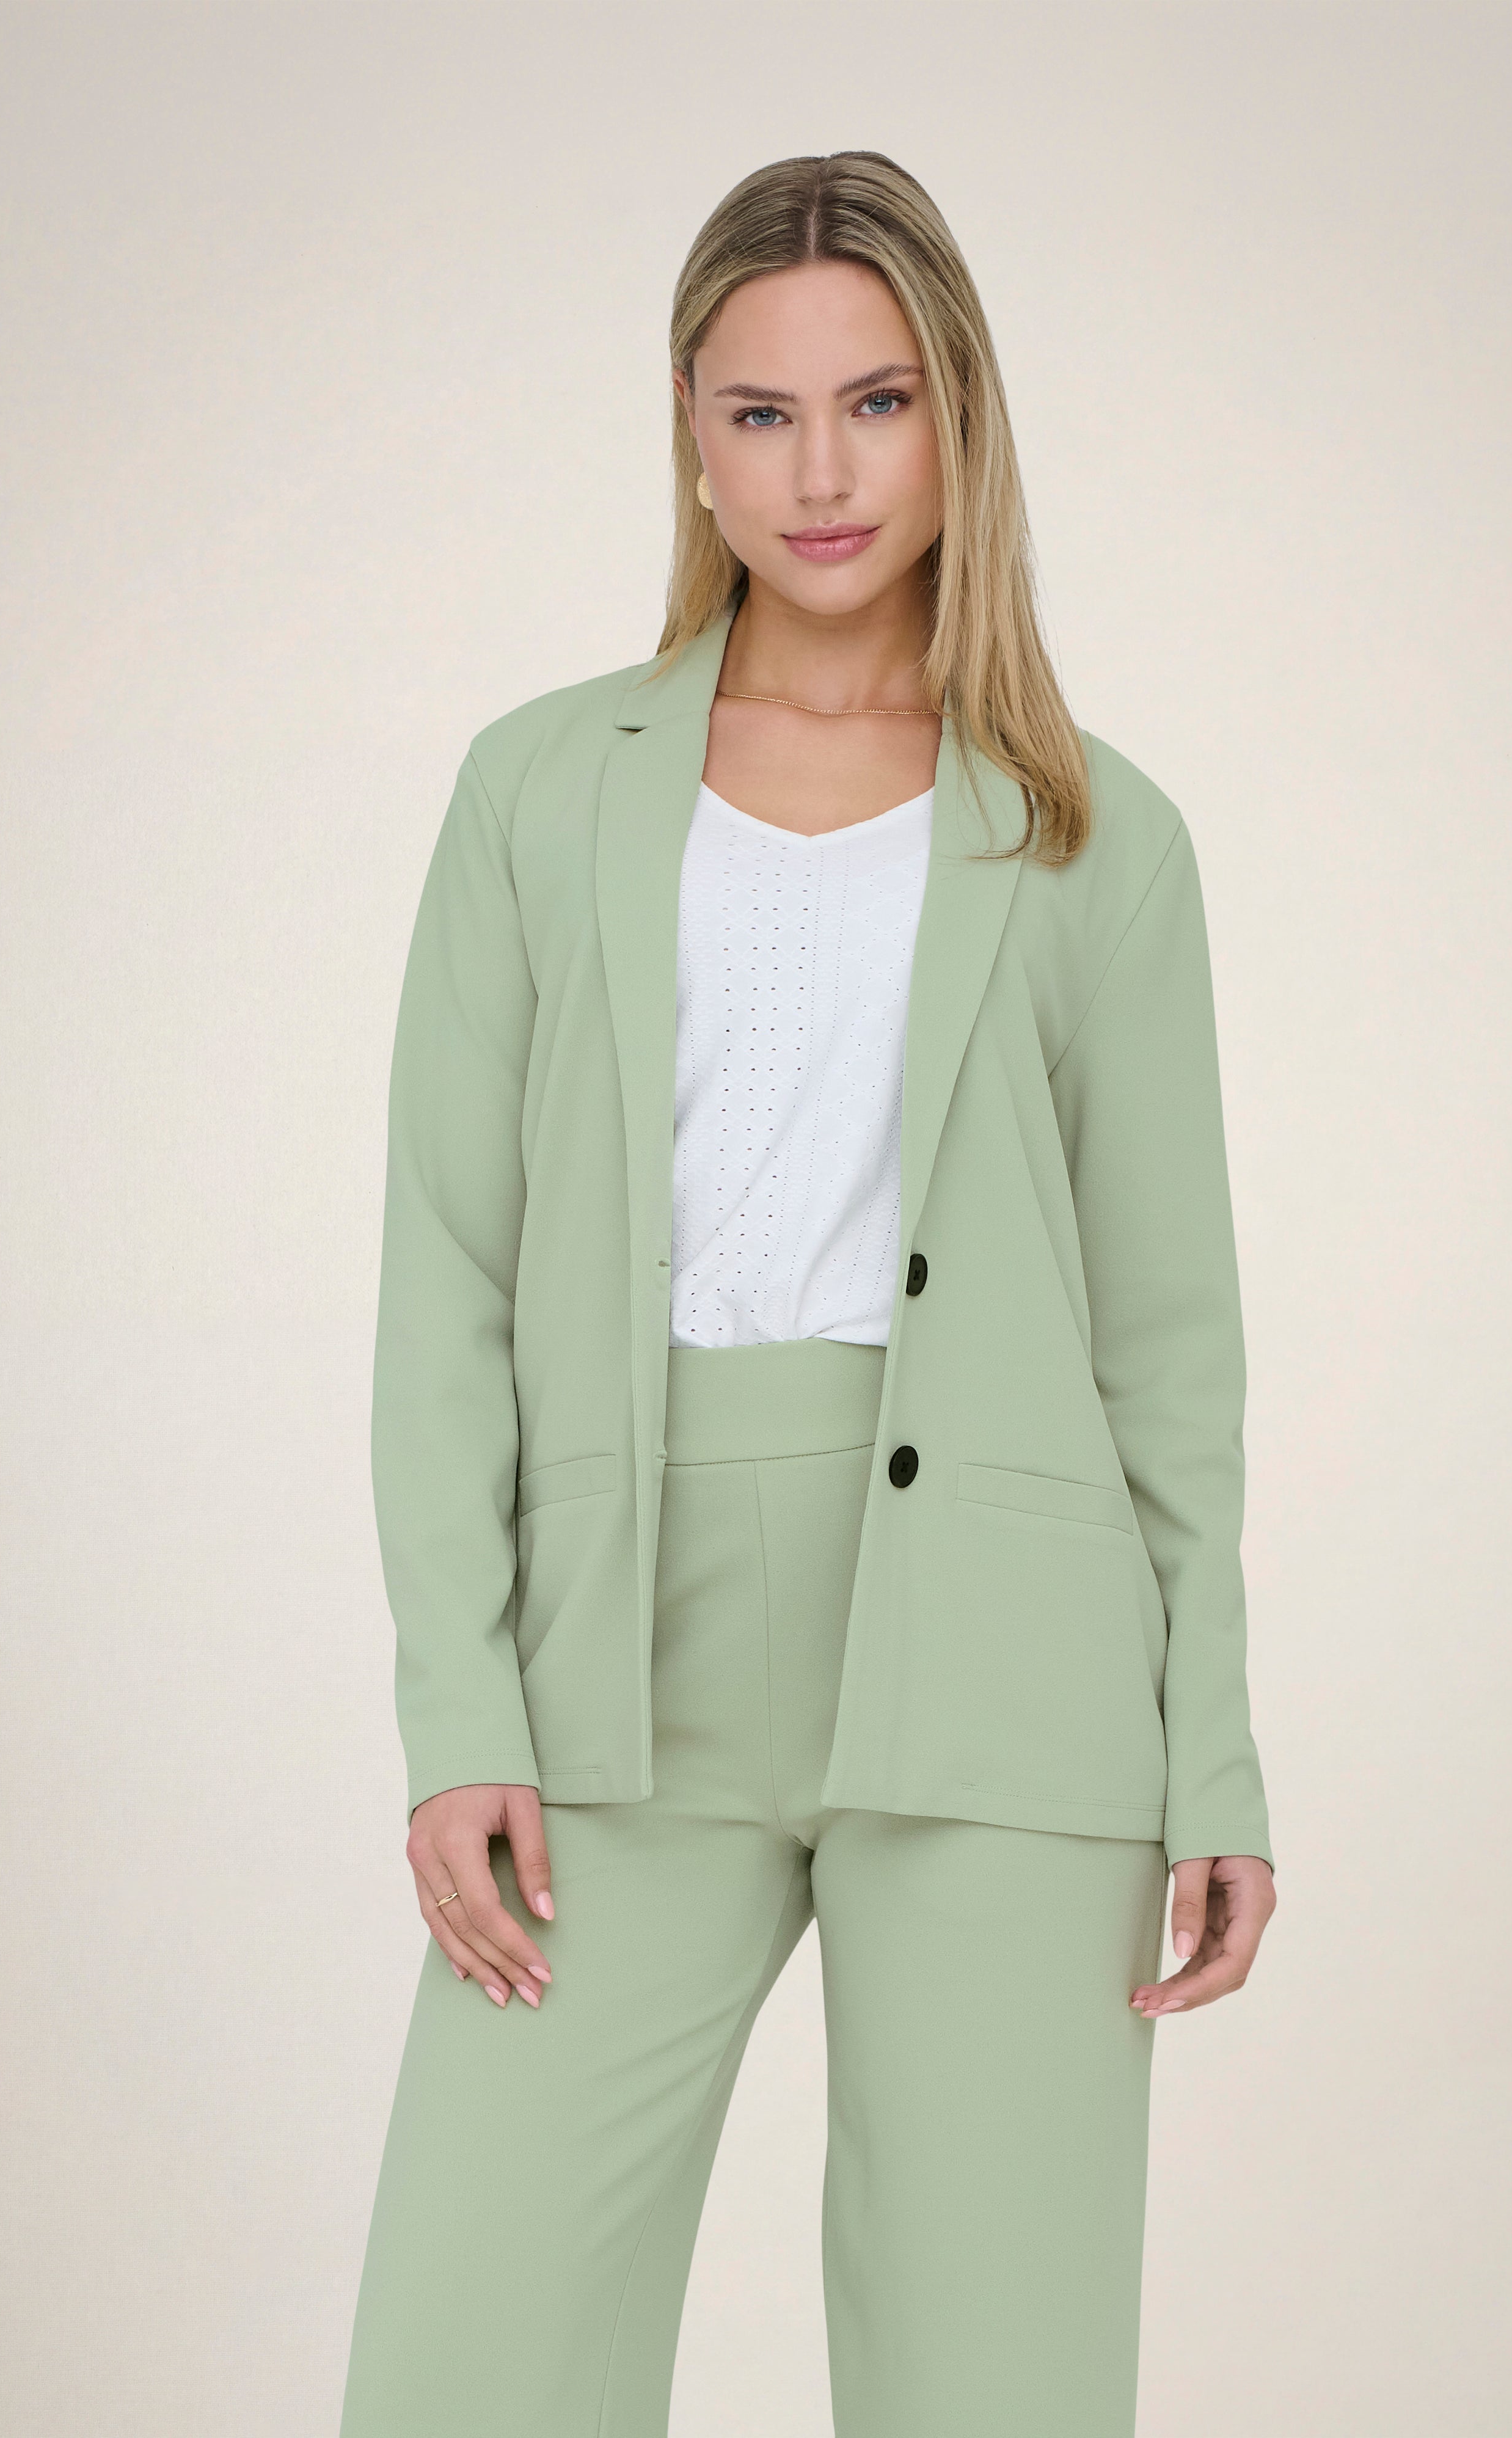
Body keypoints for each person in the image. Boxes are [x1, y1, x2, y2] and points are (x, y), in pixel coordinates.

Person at [338, 148, 1276, 2438]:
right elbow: (444, 1275)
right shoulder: (539, 793)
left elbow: (1169, 1343)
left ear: (958, 417)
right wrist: (460, 1703)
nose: (822, 473)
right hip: (618, 1651)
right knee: (469, 2361)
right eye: (760, 413)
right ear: (689, 431)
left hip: (1013, 1657)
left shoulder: (1092, 829)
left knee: (995, 2382)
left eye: (875, 403)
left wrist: (1212, 1749)